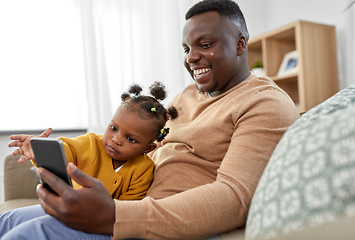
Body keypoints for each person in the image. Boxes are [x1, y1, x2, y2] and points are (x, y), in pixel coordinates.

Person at [0, 0, 300, 239]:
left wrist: (116, 217)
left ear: (240, 44)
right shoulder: (188, 95)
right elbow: (146, 146)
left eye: (205, 44)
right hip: (127, 201)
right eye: (187, 48)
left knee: (30, 234)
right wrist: (68, 155)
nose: (191, 57)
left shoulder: (264, 103)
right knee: (8, 220)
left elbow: (235, 199)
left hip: (156, 221)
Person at [6, 81, 178, 200]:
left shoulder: (144, 169)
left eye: (130, 139)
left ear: (147, 148)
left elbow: (129, 209)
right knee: (8, 221)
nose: (116, 140)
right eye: (114, 128)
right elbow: (67, 151)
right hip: (65, 206)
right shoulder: (90, 143)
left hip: (98, 223)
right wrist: (41, 150)